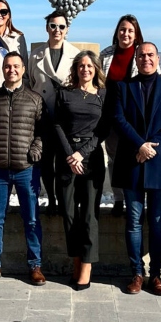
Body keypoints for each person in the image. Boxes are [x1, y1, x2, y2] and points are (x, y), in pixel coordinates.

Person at [112, 42, 161, 296]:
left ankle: (156, 274)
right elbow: (118, 119)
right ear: (136, 59)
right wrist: (140, 145)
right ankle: (136, 273)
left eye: (150, 55)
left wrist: (153, 146)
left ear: (158, 58)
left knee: (156, 221)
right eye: (141, 55)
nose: (146, 59)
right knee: (133, 221)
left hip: (159, 162)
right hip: (132, 161)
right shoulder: (124, 87)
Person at [0, 52, 47, 286]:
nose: (12, 70)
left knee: (32, 219)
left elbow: (42, 131)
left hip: (26, 168)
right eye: (8, 66)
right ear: (3, 69)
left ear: (23, 69)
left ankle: (35, 265)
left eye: (16, 66)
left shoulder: (35, 100)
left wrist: (36, 149)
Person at [53, 50, 107, 290]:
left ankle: (86, 265)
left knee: (88, 215)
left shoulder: (104, 95)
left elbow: (103, 130)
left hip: (91, 157)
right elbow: (56, 125)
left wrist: (81, 153)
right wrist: (69, 154)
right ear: (75, 69)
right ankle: (76, 259)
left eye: (89, 66)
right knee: (68, 212)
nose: (85, 69)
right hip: (66, 157)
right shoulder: (63, 93)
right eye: (81, 65)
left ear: (95, 69)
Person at [29, 10, 80, 216]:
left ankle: (64, 200)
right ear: (46, 28)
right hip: (42, 116)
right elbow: (30, 82)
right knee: (45, 161)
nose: (56, 30)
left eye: (61, 26)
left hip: (66, 117)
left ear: (67, 30)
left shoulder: (75, 54)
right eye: (52, 26)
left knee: (63, 161)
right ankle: (50, 198)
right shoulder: (35, 55)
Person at [99, 14, 143, 217]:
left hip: (134, 116)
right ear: (117, 32)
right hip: (111, 115)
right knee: (114, 159)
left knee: (135, 158)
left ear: (136, 35)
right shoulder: (106, 54)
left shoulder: (142, 53)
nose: (125, 33)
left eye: (130, 30)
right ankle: (118, 199)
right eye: (122, 29)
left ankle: (135, 198)